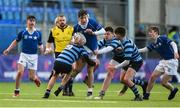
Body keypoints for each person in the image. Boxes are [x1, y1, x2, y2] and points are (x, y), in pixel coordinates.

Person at [94, 26, 146, 101]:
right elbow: (96, 46)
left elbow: (108, 49)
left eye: (108, 34)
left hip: (132, 60)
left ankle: (138, 91)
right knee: (115, 76)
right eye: (105, 34)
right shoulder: (106, 40)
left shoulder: (117, 41)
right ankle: (101, 94)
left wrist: (97, 52)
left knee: (126, 79)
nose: (105, 36)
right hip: (119, 57)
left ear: (113, 34)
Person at [42, 33, 96, 98]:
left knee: (54, 76)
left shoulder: (69, 45)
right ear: (82, 42)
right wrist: (92, 63)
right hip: (67, 63)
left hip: (57, 61)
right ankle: (61, 87)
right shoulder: (81, 49)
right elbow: (86, 57)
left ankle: (47, 92)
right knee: (69, 73)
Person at [68, 9, 105, 98]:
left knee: (90, 70)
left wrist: (93, 32)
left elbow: (103, 31)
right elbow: (72, 39)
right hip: (82, 50)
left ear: (87, 16)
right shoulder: (76, 27)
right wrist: (75, 41)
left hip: (93, 50)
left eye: (85, 17)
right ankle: (69, 82)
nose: (83, 20)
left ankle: (90, 91)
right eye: (81, 18)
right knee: (78, 69)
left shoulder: (92, 22)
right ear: (78, 18)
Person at [3, 15, 44, 97]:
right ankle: (16, 91)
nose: (31, 22)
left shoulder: (38, 33)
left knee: (31, 77)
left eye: (33, 21)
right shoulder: (23, 32)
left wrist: (43, 50)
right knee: (20, 72)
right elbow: (15, 41)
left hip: (33, 57)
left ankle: (35, 78)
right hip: (24, 55)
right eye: (30, 20)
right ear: (27, 22)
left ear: (35, 23)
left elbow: (40, 44)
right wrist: (8, 49)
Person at [140, 26, 179, 100]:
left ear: (156, 32)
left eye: (151, 32)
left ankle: (173, 89)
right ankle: (147, 94)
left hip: (172, 61)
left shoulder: (162, 38)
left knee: (163, 83)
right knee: (152, 77)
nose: (149, 33)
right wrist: (136, 50)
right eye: (149, 32)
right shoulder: (153, 43)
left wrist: (176, 52)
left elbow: (173, 43)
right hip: (163, 61)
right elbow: (146, 49)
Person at [44, 15, 74, 96]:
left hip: (69, 53)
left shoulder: (71, 29)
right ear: (57, 21)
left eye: (63, 20)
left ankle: (67, 90)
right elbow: (49, 42)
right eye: (60, 20)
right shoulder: (53, 30)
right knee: (61, 74)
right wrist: (47, 49)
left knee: (69, 73)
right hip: (58, 53)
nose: (62, 22)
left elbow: (74, 39)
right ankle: (65, 90)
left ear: (66, 21)